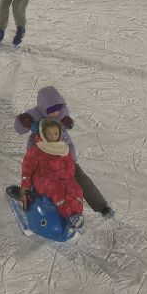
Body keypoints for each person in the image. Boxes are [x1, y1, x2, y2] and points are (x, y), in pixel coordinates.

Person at [15, 85, 114, 217]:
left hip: (65, 163)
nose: (55, 113)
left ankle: (101, 207)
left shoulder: (61, 115)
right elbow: (20, 129)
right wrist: (24, 121)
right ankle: (33, 205)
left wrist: (70, 162)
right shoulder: (36, 117)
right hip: (44, 166)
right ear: (43, 109)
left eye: (58, 109)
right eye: (51, 110)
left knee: (80, 183)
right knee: (47, 186)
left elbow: (68, 144)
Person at [18, 117, 86, 231]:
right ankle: (68, 216)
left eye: (56, 134)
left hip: (63, 177)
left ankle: (76, 214)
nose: (53, 137)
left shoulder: (63, 149)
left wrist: (68, 179)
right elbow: (27, 169)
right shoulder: (37, 150)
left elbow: (70, 166)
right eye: (49, 134)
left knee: (76, 189)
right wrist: (26, 187)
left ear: (59, 134)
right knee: (57, 188)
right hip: (44, 178)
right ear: (44, 134)